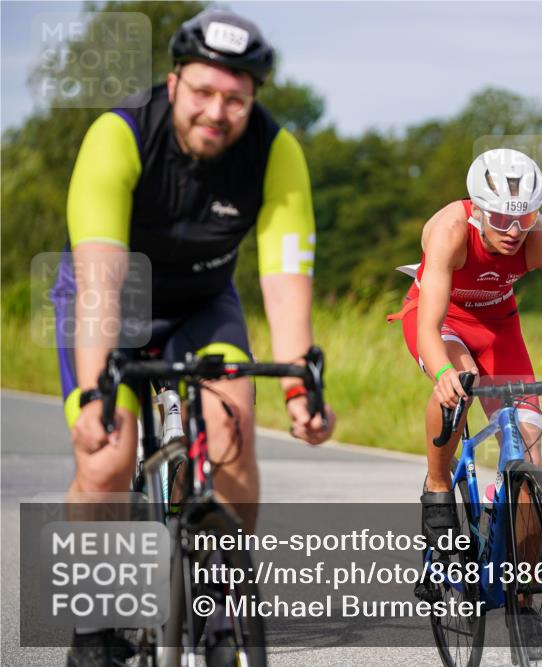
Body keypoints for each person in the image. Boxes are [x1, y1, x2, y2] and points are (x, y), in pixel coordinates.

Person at [55, 10, 334, 665]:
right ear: (174, 80)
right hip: (111, 303)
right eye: (204, 92)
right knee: (105, 458)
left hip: (205, 305)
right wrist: (100, 389)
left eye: (236, 99)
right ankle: (94, 627)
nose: (218, 111)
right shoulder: (119, 135)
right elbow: (99, 279)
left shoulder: (275, 150)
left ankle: (224, 600)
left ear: (254, 100)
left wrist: (301, 388)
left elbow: (287, 277)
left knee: (233, 421)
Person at [388, 148, 542, 655]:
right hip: (438, 320)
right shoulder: (449, 228)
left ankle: (525, 602)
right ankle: (439, 483)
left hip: (498, 327)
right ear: (478, 208)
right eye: (503, 218)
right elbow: (427, 321)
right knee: (460, 385)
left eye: (525, 217)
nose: (515, 230)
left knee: (529, 457)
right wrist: (443, 371)